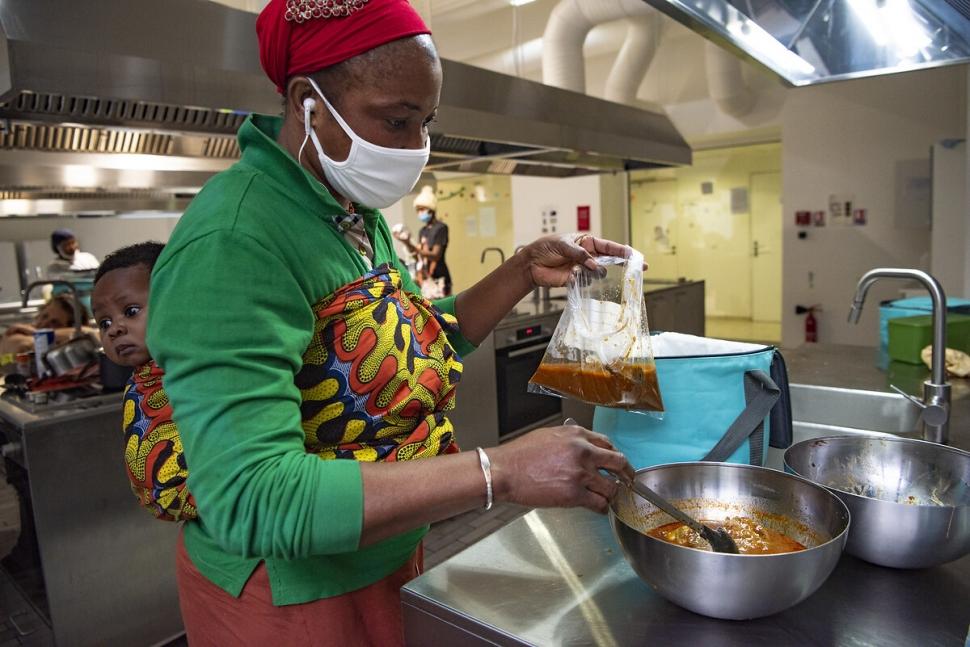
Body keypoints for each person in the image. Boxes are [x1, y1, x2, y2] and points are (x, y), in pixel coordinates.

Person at [146, 1, 636, 644]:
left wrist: (520, 270)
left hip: (382, 553)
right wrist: (501, 470)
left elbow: (416, 345)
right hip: (288, 594)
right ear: (306, 102)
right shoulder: (236, 241)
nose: (417, 150)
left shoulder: (347, 213)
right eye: (397, 121)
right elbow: (252, 499)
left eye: (425, 122)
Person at [91, 242, 197, 522]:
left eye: (131, 311)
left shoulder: (196, 367)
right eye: (104, 323)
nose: (115, 328)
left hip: (218, 502)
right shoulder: (140, 381)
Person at [396, 185, 451, 296]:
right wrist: (406, 242)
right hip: (426, 278)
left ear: (431, 209)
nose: (419, 213)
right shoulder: (423, 231)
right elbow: (419, 256)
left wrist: (415, 248)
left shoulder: (441, 228)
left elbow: (435, 255)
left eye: (422, 209)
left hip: (440, 278)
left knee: (442, 309)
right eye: (418, 210)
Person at [0, 294, 94, 358]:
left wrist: (37, 333)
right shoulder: (18, 332)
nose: (44, 323)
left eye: (54, 323)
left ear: (69, 328)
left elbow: (92, 333)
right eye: (44, 316)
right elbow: (24, 346)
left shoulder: (31, 331)